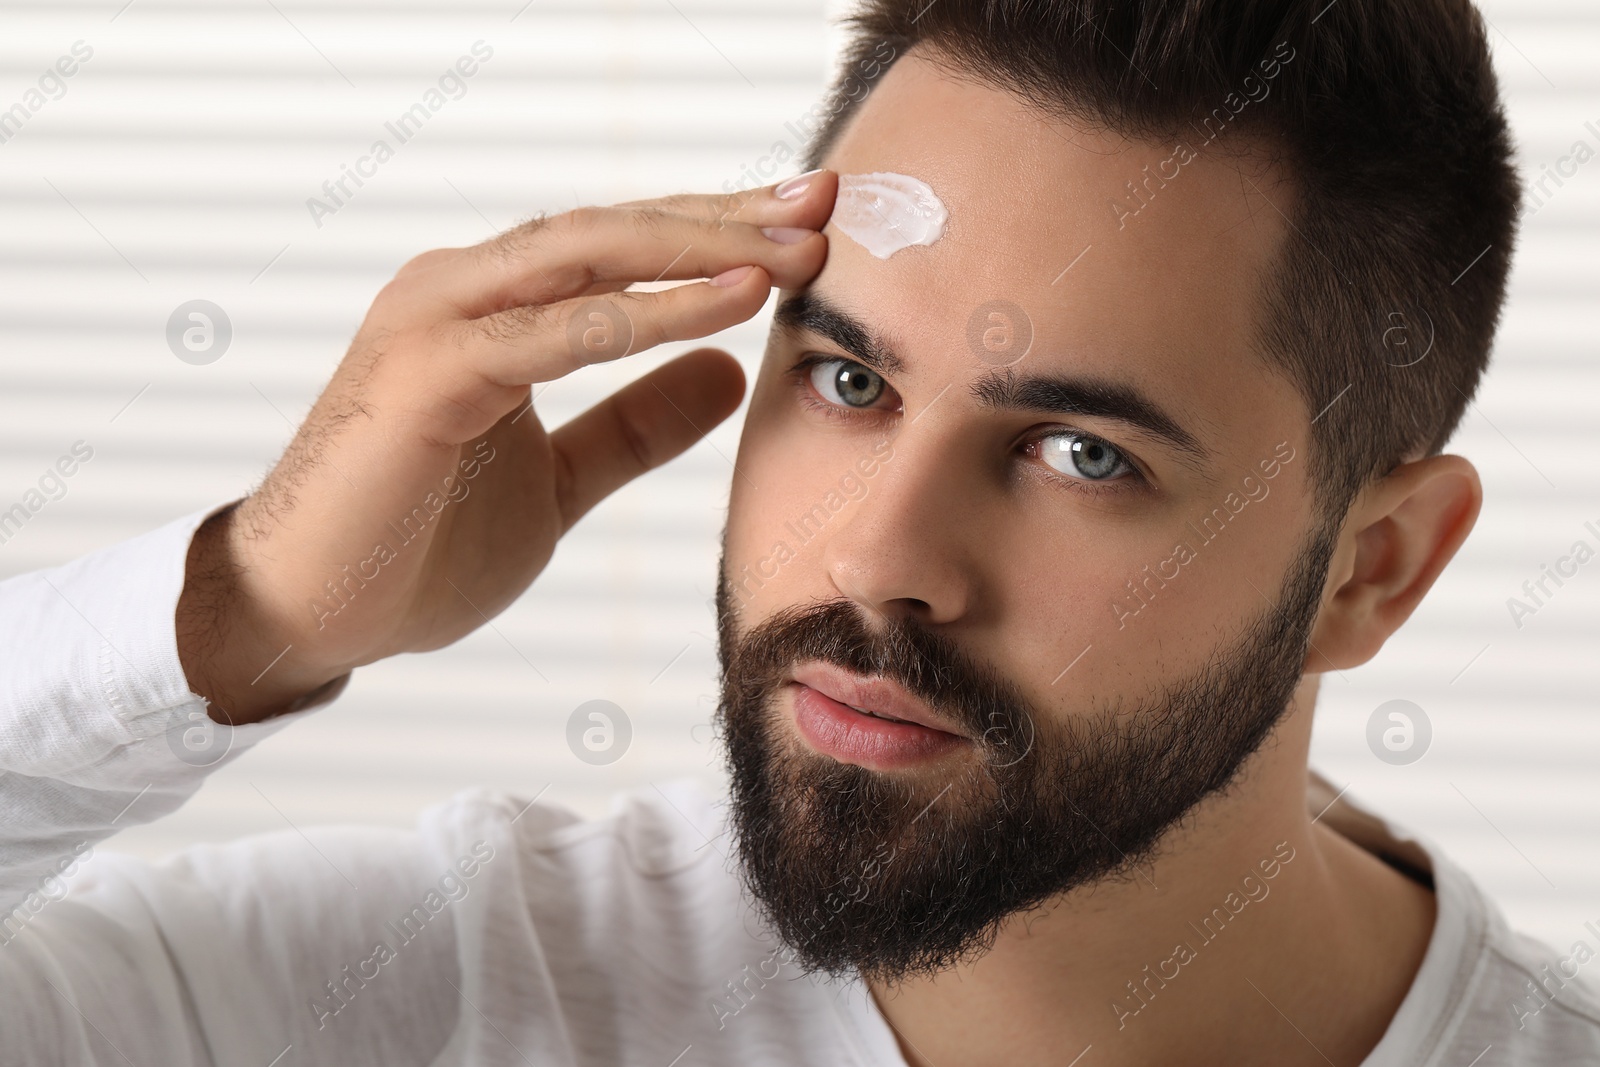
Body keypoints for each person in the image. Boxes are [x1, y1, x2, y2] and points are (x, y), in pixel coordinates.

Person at [3, 0, 1596, 1064]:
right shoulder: (423, 995)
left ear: (1374, 569)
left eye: (1078, 451)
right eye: (847, 376)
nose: (877, 558)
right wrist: (250, 614)